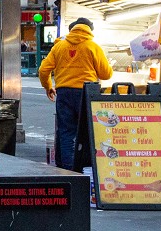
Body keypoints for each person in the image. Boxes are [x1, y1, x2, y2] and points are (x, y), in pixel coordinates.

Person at [38, 18, 113, 171]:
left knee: (66, 132)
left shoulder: (59, 47)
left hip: (64, 92)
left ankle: (67, 170)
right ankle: (87, 168)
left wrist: (48, 86)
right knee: (88, 132)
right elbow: (106, 74)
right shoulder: (93, 46)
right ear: (90, 30)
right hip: (86, 93)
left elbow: (43, 70)